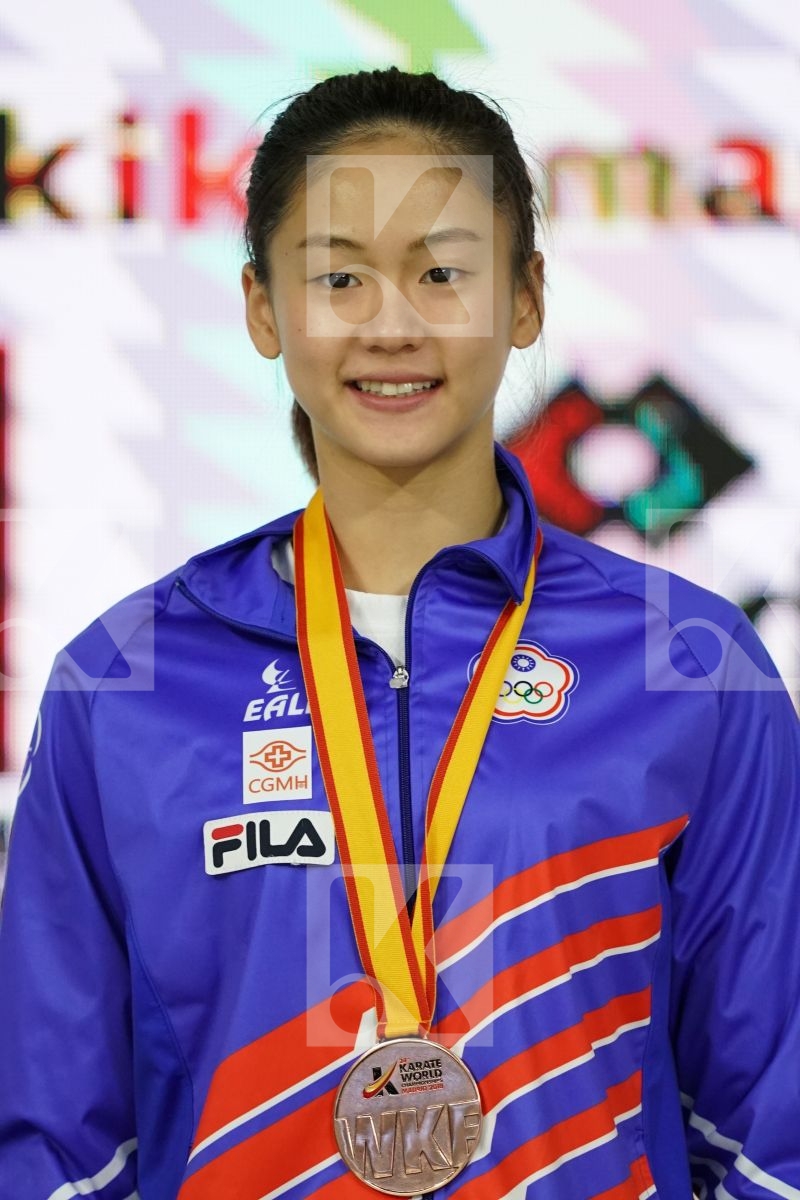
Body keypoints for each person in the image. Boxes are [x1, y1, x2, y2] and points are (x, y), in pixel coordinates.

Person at [0, 65, 798, 1200]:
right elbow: (57, 1156)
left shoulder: (690, 671)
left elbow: (770, 1135)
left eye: (441, 273)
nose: (390, 324)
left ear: (525, 298)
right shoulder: (125, 685)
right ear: (262, 307)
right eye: (339, 276)